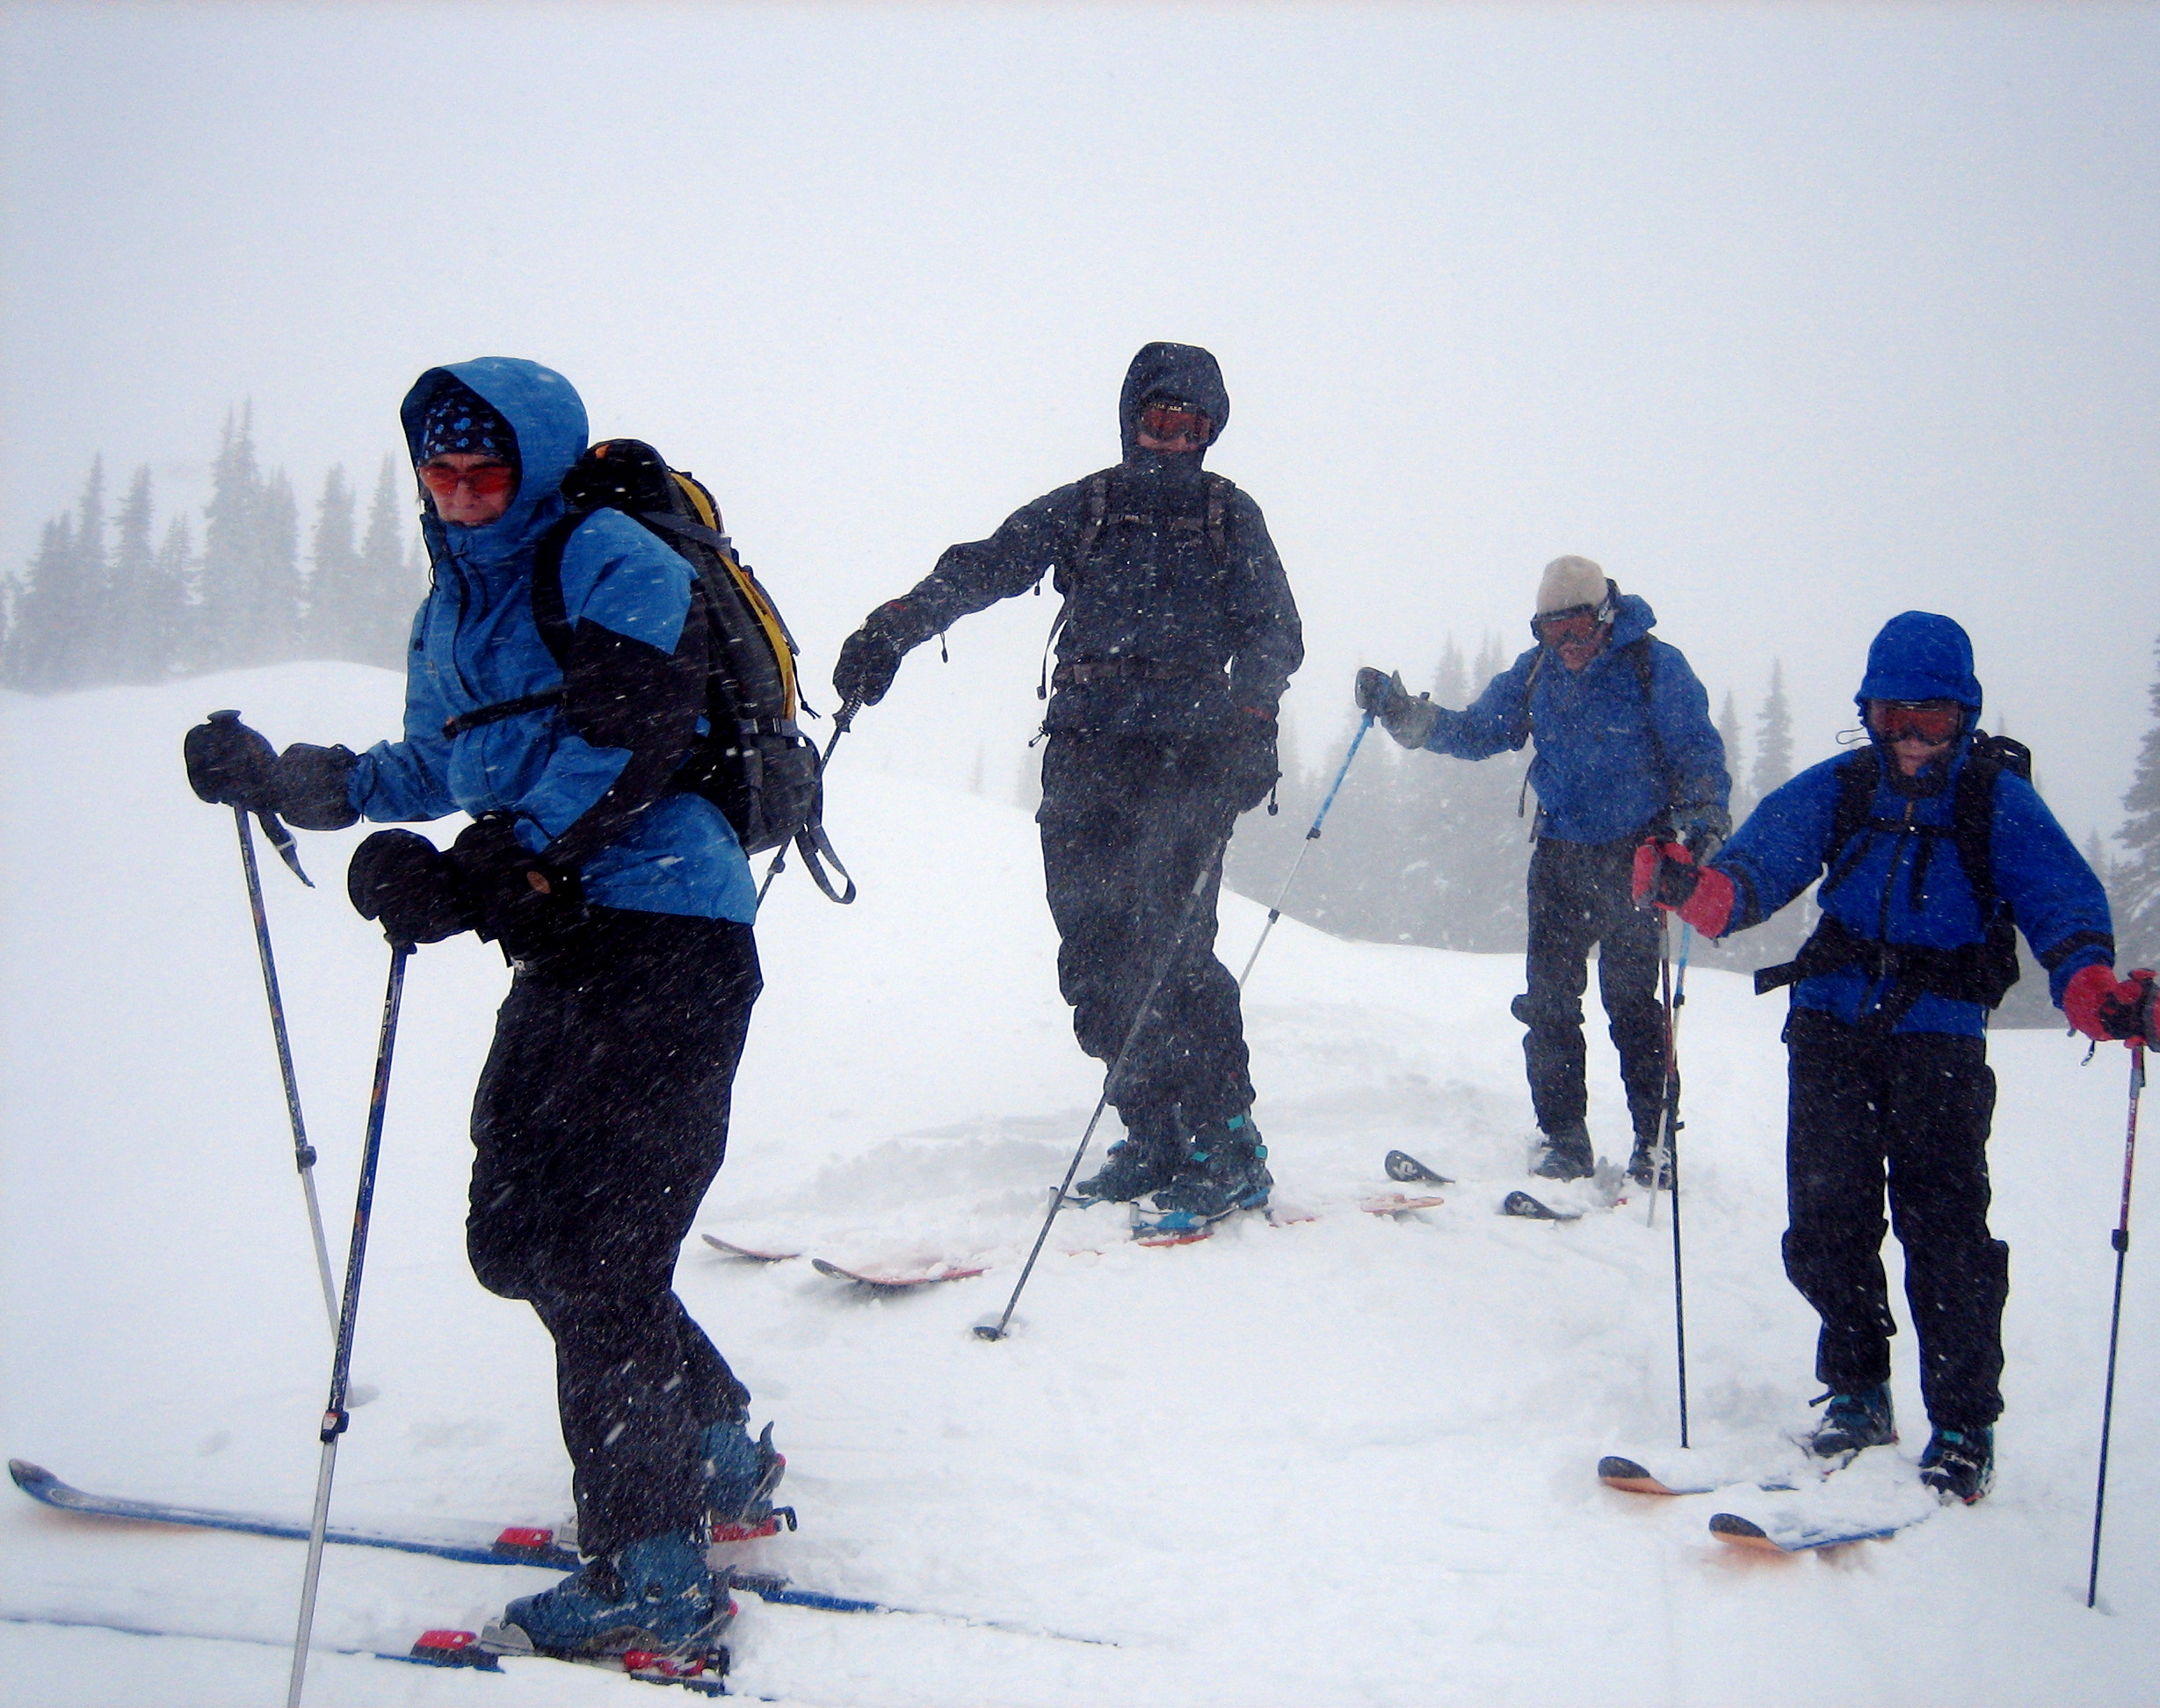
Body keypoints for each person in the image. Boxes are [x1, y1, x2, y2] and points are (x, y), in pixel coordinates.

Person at [181, 358, 779, 1659]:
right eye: (440, 472)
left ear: (537, 464)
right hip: (563, 943)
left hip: (670, 930)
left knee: (603, 1255)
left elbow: (630, 735)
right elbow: (439, 762)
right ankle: (714, 1445)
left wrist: (507, 859)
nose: (459, 494)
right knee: (516, 1234)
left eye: (485, 471)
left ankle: (654, 1570)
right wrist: (292, 782)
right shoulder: (454, 602)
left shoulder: (611, 557)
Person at [1634, 611, 2160, 1503]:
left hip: (1940, 1038)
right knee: (1827, 1220)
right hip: (1829, 1023)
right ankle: (1857, 1392)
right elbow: (1750, 879)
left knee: (1946, 1232)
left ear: (1965, 716)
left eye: (1932, 717)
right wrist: (1690, 886)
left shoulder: (1996, 801)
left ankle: (1962, 1425)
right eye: (1892, 716)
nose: (1912, 737)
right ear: (1869, 714)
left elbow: (2064, 908)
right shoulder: (1842, 787)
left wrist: (2095, 993)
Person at [832, 343, 1301, 1233]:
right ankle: (1154, 1131)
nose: (1175, 441)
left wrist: (1252, 719)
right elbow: (987, 564)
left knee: (1174, 948)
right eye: (1159, 421)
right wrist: (896, 625)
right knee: (1094, 951)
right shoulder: (1088, 505)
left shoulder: (1228, 514)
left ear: (1212, 433)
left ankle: (1230, 1144)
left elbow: (1274, 629)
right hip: (1086, 753)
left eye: (1193, 426)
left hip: (1188, 755)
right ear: (1131, 421)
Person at [1356, 555, 1729, 1190]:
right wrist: (1401, 713)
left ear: (1606, 615)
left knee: (1632, 1004)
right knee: (1550, 1004)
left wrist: (1702, 820)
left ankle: (1654, 1141)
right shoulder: (1537, 673)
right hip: (1560, 857)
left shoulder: (1654, 667)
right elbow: (1477, 731)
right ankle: (1564, 1140)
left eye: (1576, 627)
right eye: (1551, 630)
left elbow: (1697, 751)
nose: (1566, 643)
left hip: (1639, 858)